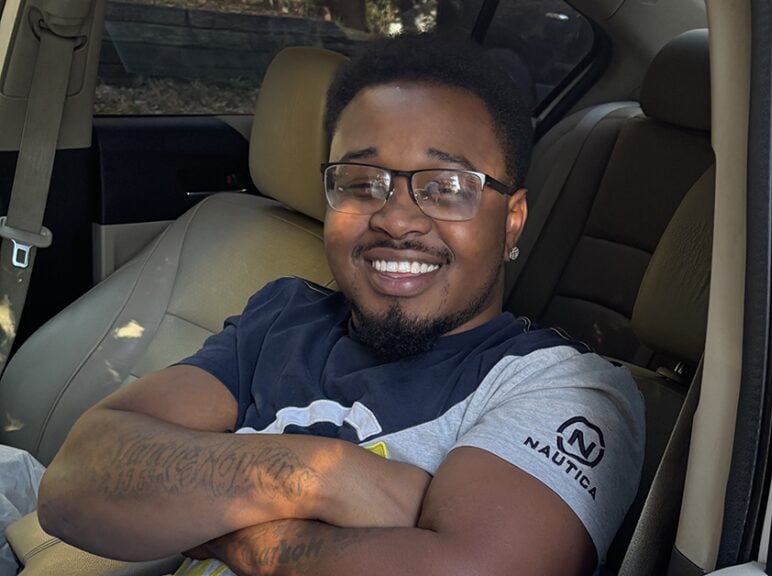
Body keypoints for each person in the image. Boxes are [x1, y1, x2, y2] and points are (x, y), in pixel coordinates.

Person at [35, 34, 644, 576]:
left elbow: (477, 566)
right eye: (360, 183)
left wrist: (208, 521)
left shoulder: (563, 388)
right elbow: (75, 481)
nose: (397, 219)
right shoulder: (282, 316)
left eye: (445, 188)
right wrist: (326, 475)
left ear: (511, 222)